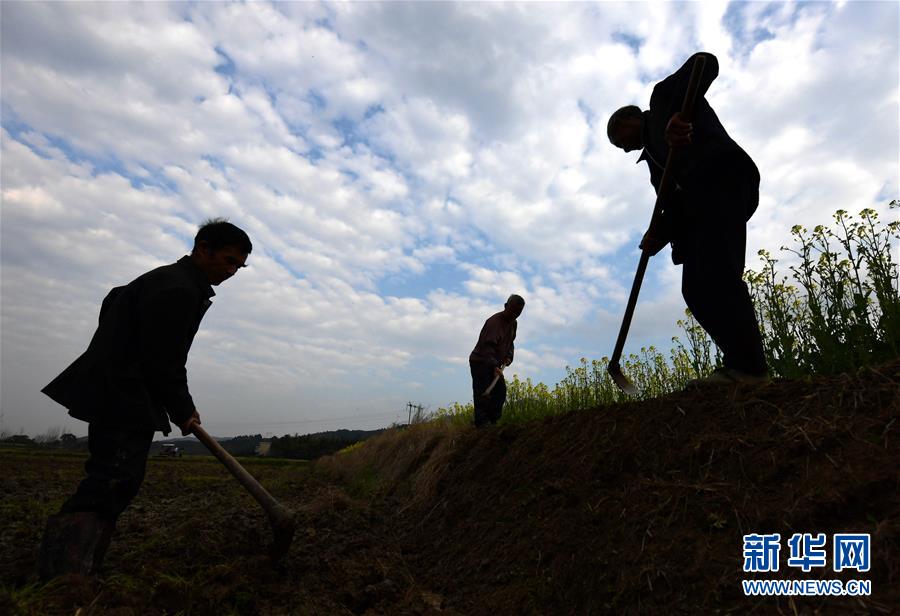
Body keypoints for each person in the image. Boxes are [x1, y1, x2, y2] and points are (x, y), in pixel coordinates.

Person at [37, 218, 252, 579]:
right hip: (122, 397)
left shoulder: (167, 281)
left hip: (123, 394)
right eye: (228, 261)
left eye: (239, 266)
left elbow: (115, 303)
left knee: (114, 478)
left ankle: (74, 566)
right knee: (111, 480)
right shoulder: (178, 289)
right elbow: (164, 360)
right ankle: (64, 571)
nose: (232, 272)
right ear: (203, 249)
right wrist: (183, 408)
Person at [607, 51, 768, 385]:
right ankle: (741, 364)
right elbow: (676, 206)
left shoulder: (665, 99)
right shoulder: (654, 164)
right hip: (700, 208)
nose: (622, 150)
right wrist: (657, 235)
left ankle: (750, 368)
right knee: (696, 288)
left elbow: (704, 63)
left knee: (719, 276)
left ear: (627, 120)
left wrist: (679, 120)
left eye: (617, 141)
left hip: (722, 183)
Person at [469, 295, 525, 427]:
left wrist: (509, 356)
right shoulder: (494, 322)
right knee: (482, 392)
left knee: (500, 392)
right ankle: (482, 423)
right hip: (480, 361)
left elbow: (510, 343)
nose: (515, 315)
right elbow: (486, 347)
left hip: (495, 364)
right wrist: (494, 366)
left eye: (518, 313)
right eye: (513, 311)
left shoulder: (513, 324)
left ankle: (493, 421)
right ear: (506, 306)